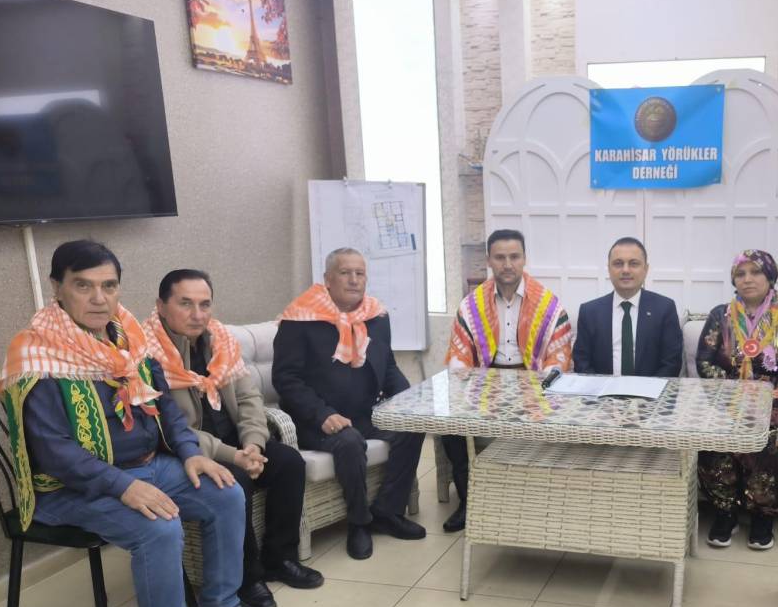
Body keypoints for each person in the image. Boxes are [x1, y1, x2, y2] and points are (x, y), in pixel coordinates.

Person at [0, 241, 272, 607]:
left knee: (226, 491)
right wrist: (123, 486)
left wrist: (191, 453)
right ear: (57, 288)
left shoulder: (129, 339)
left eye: (109, 286)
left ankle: (220, 604)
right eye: (83, 286)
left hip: (148, 465)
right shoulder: (36, 354)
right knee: (159, 528)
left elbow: (165, 410)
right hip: (70, 489)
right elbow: (53, 452)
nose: (99, 298)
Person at [144, 269, 323, 607]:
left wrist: (254, 444)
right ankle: (246, 577)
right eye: (185, 304)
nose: (197, 314)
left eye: (204, 304)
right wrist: (233, 456)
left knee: (288, 463)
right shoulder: (146, 354)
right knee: (234, 479)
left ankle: (279, 558)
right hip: (188, 452)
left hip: (235, 442)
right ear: (161, 306)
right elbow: (168, 426)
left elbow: (248, 398)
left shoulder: (220, 340)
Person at [272, 248, 425, 561]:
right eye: (345, 273)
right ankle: (359, 523)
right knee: (349, 442)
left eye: (360, 273)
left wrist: (406, 401)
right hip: (316, 421)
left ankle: (387, 511)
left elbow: (388, 366)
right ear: (328, 280)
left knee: (412, 427)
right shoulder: (300, 319)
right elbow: (285, 379)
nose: (354, 280)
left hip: (364, 413)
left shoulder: (376, 316)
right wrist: (322, 414)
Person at [441, 229, 572, 532]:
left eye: (514, 257)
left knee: (556, 414)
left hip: (534, 383)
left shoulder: (548, 304)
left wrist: (538, 389)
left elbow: (559, 356)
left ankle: (538, 499)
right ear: (489, 260)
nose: (508, 264)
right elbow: (460, 357)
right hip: (483, 382)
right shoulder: (471, 305)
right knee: (451, 426)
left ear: (524, 259)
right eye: (500, 257)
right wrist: (467, 391)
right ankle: (468, 501)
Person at [696, 250, 778, 551]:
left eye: (756, 272)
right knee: (712, 434)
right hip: (728, 399)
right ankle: (725, 512)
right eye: (740, 274)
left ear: (770, 277)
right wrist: (733, 391)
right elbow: (704, 360)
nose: (747, 279)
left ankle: (763, 516)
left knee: (770, 436)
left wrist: (771, 394)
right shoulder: (720, 315)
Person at [572, 237, 683, 378]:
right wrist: (602, 388)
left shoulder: (664, 309)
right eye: (618, 264)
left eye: (633, 264)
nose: (625, 270)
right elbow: (582, 362)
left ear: (646, 269)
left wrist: (646, 389)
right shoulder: (589, 312)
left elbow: (672, 363)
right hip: (602, 390)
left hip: (651, 390)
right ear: (609, 269)